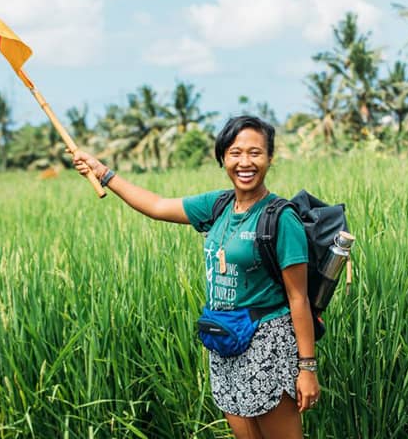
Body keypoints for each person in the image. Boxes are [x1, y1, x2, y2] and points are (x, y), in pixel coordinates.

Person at [73, 115, 320, 439]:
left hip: (267, 346)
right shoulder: (218, 205)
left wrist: (307, 369)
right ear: (222, 158)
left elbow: (297, 298)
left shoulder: (279, 217)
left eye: (255, 153)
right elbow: (157, 205)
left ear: (270, 158)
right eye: (235, 153)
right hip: (224, 341)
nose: (245, 162)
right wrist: (103, 173)